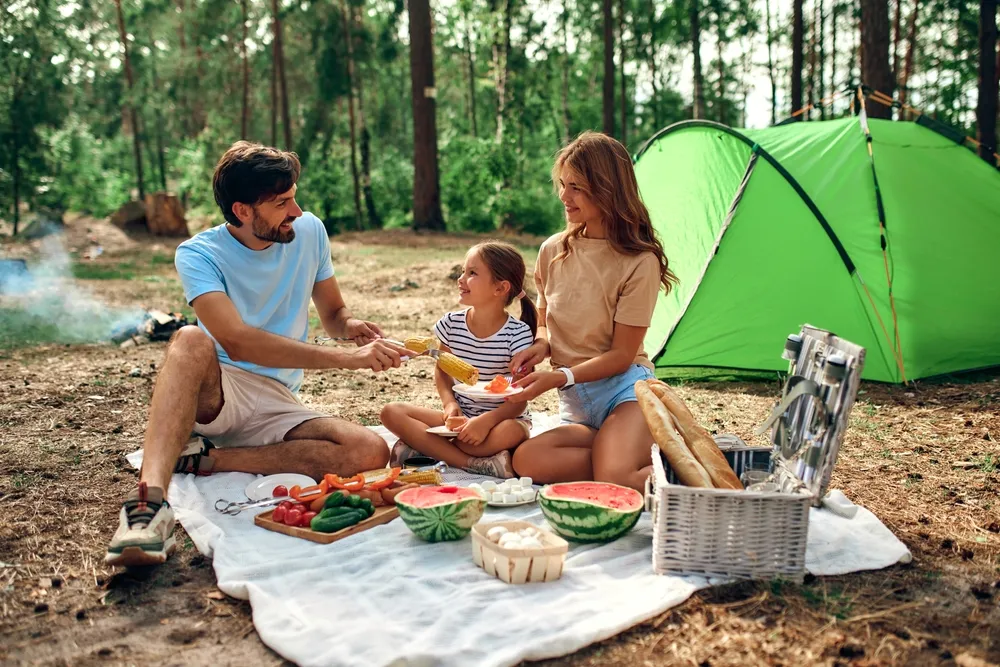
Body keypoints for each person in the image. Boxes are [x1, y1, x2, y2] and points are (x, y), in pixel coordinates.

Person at [106, 141, 410, 568]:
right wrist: (348, 360)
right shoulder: (198, 254)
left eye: (294, 197)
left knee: (369, 450)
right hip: (221, 390)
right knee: (190, 339)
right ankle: (148, 506)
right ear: (243, 210)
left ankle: (207, 460)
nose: (296, 211)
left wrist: (349, 326)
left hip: (277, 399)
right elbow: (238, 341)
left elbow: (333, 314)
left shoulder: (310, 232)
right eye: (282, 203)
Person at [505, 131, 677, 492]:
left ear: (607, 190)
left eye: (577, 188)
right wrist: (541, 346)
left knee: (615, 478)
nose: (564, 196)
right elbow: (545, 318)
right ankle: (632, 453)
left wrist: (558, 377)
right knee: (526, 461)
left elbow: (621, 355)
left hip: (624, 391)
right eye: (563, 185)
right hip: (577, 403)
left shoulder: (639, 261)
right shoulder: (552, 251)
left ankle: (679, 462)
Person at [380, 241, 538, 478]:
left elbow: (521, 398)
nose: (461, 279)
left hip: (500, 420)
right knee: (391, 412)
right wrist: (449, 404)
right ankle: (473, 463)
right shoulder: (451, 324)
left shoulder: (518, 334)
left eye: (472, 273)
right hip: (459, 418)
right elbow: (443, 370)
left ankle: (427, 447)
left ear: (500, 288)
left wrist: (486, 422)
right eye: (463, 271)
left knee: (512, 432)